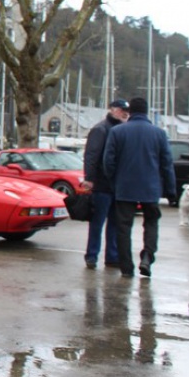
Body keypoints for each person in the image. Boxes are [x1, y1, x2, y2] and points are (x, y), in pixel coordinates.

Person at [103, 96, 176, 278]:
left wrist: (113, 181)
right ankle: (147, 257)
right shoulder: (159, 134)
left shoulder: (118, 132)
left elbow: (108, 161)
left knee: (123, 227)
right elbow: (167, 163)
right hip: (150, 187)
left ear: (131, 111)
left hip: (124, 186)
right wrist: (171, 190)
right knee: (151, 223)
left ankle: (126, 267)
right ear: (146, 111)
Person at [80, 98, 130, 268]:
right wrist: (89, 178)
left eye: (126, 111)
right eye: (121, 110)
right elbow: (91, 155)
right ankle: (92, 255)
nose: (124, 113)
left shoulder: (122, 130)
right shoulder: (101, 129)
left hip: (117, 185)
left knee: (115, 224)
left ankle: (112, 256)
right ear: (112, 109)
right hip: (102, 185)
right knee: (97, 223)